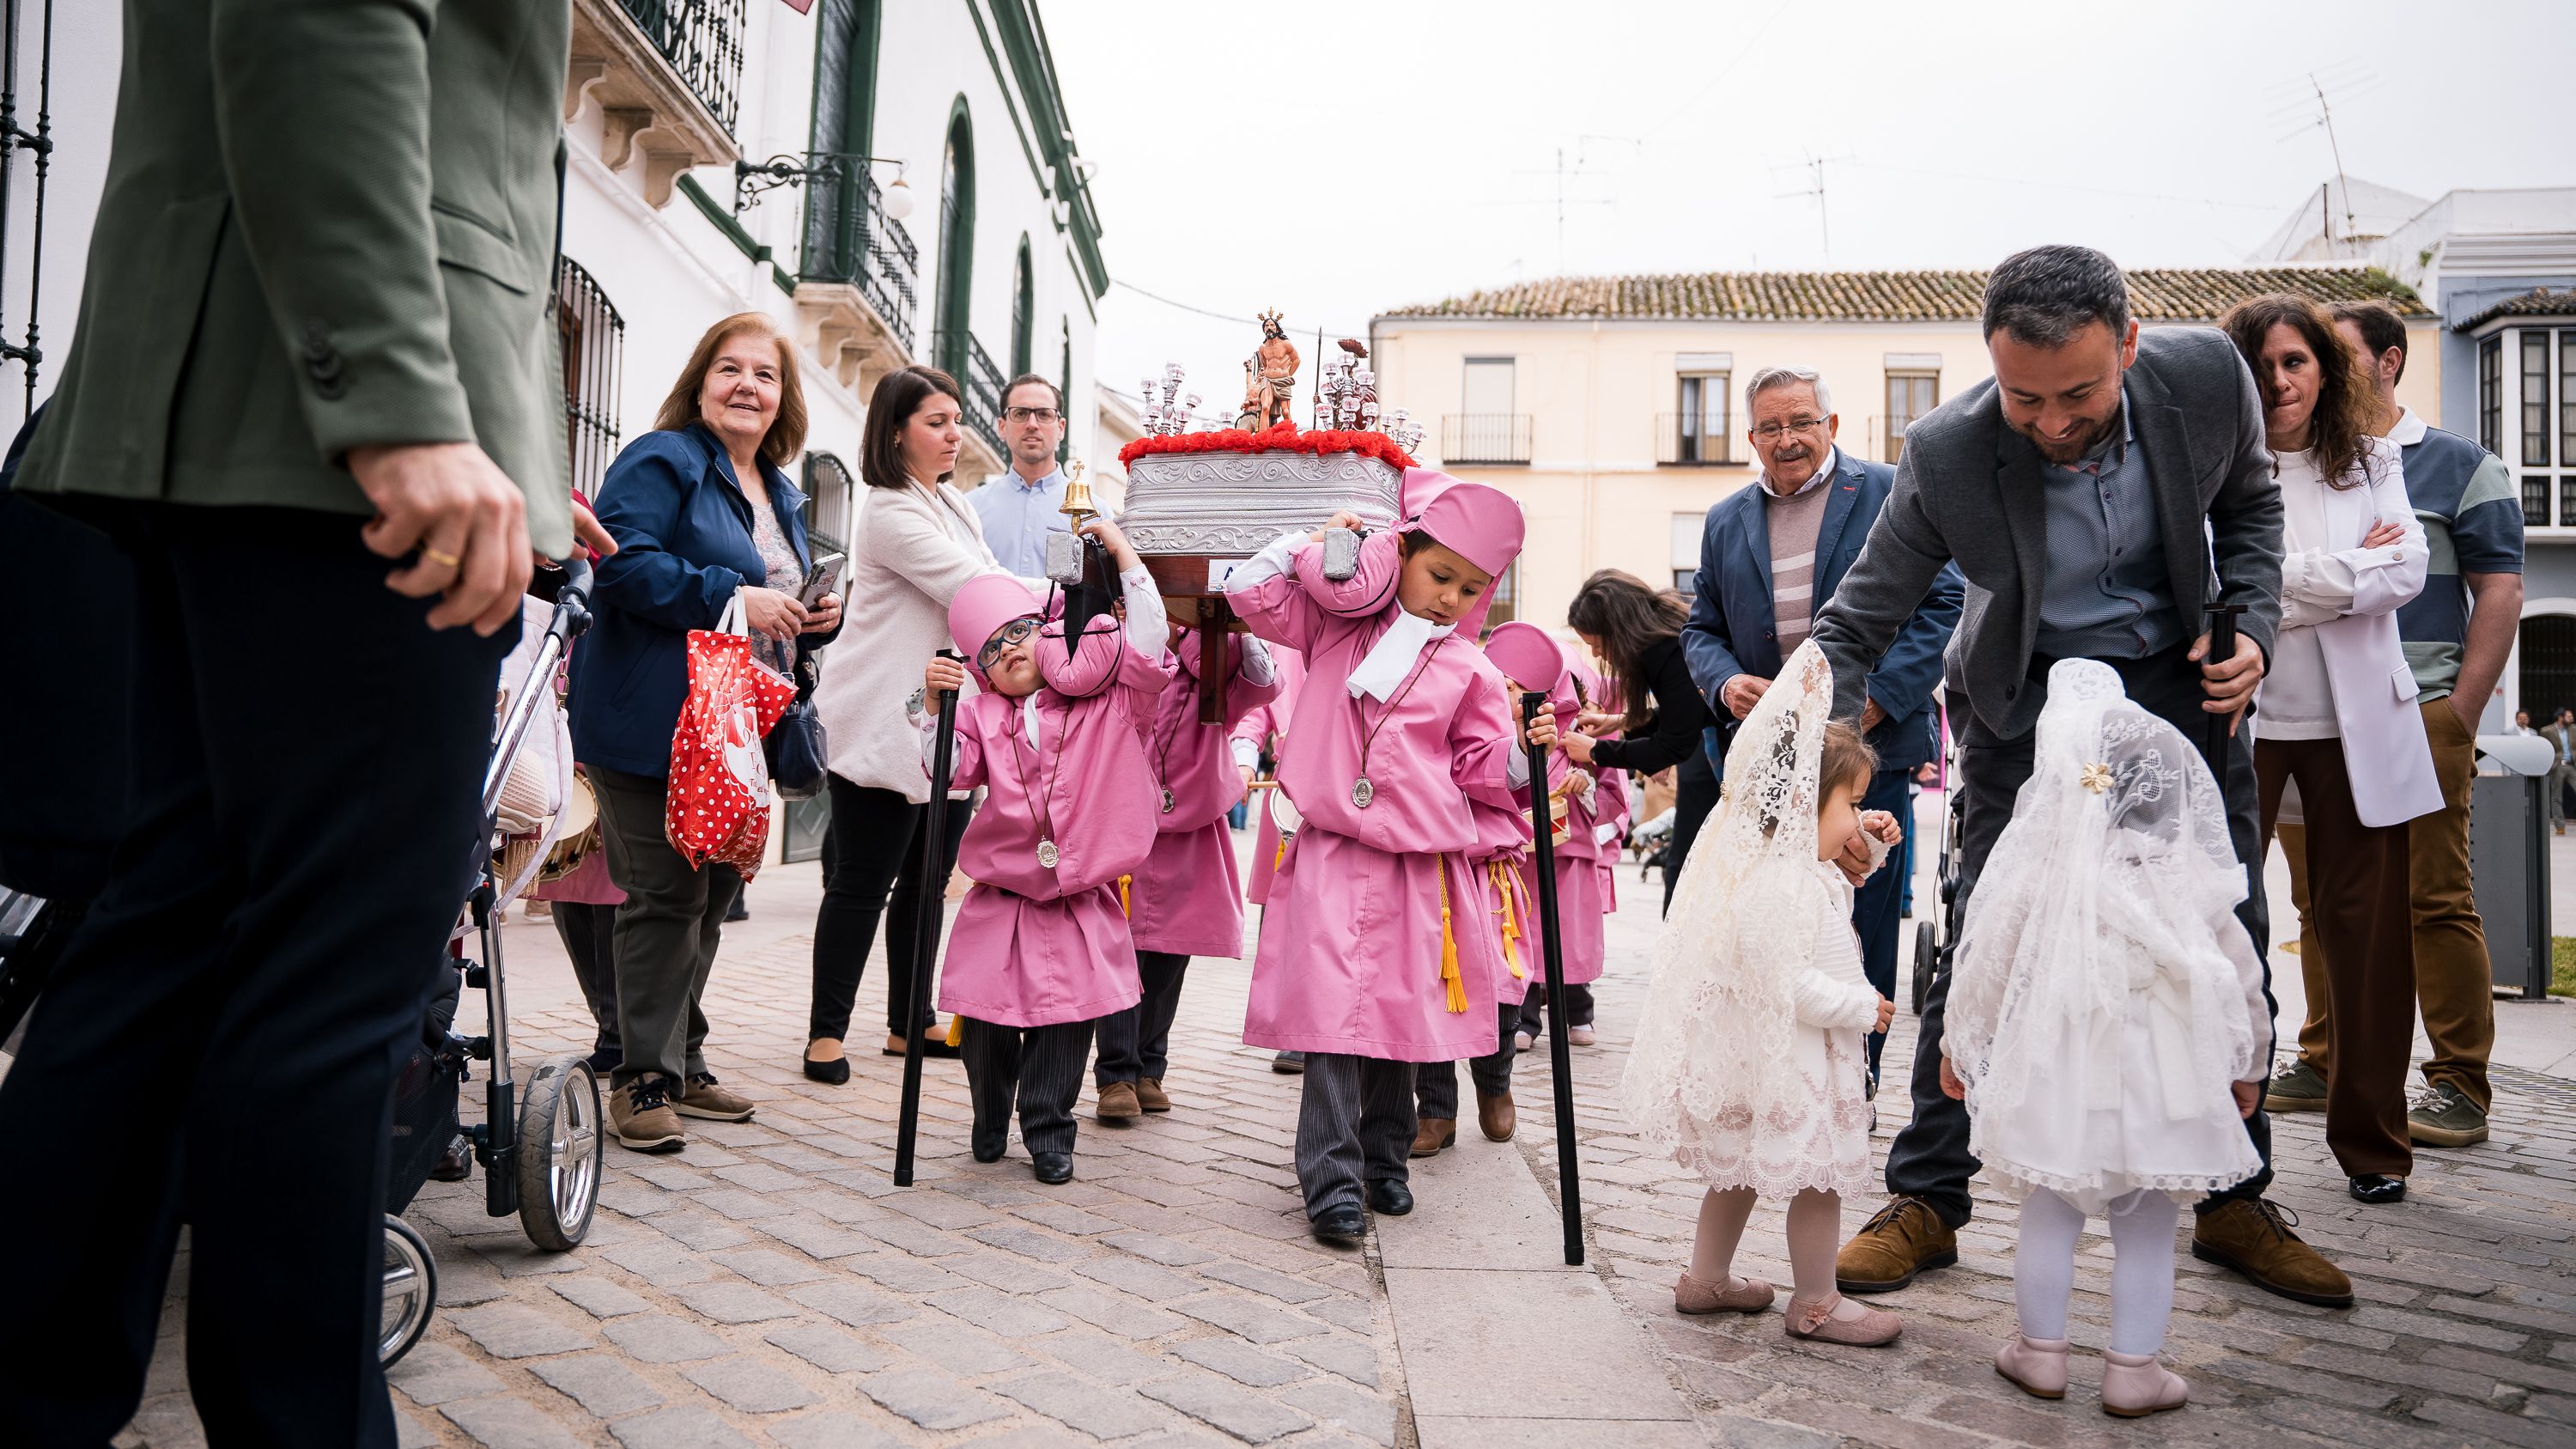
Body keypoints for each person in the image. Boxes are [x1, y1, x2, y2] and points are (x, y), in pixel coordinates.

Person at [0, 3, 591, 1442]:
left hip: (234, 403)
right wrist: (400, 403)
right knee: (331, 982)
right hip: (332, 424)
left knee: (163, 953)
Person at [1812, 244, 2351, 1308]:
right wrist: (1810, 766)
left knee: (2216, 929)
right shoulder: (1950, 448)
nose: (2053, 423)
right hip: (2026, 706)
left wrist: (2250, 627)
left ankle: (2235, 1196)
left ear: (2132, 348)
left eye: (2080, 395)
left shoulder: (2207, 379)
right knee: (1983, 938)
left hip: (2180, 690)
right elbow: (1859, 620)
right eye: (2025, 398)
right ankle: (1928, 1196)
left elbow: (2249, 508)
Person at [1224, 473, 1552, 1244]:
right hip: (1333, 854)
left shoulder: (1468, 667)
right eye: (1439, 576)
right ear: (1399, 552)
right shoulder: (1336, 626)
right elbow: (1247, 592)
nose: (1449, 599)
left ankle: (1385, 1163)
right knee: (1332, 1022)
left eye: (1469, 589)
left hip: (1418, 868)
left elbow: (1478, 766)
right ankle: (1330, 1181)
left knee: (1399, 1020)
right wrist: (1319, 540)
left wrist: (1524, 755)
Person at [1945, 661, 2273, 1419]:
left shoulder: (2042, 873)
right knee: (2149, 1223)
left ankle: (2041, 1352)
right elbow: (2241, 974)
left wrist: (1960, 1045)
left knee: (2050, 1210)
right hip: (2164, 1079)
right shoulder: (2189, 877)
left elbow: (1986, 955)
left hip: (2060, 1066)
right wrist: (2248, 1063)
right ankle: (2134, 1368)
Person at [572, 314, 843, 1152]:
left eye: (765, 375)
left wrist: (812, 619)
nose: (747, 386)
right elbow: (616, 561)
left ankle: (683, 1061)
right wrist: (734, 594)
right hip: (653, 714)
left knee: (717, 894)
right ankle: (641, 1079)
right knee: (665, 893)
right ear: (700, 381)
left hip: (737, 724)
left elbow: (774, 605)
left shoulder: (784, 491)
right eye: (730, 369)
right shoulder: (665, 459)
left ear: (783, 399)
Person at [2268, 301, 2523, 1151]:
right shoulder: (2276, 463)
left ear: (2389, 362)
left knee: (2431, 898)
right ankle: (2322, 1053)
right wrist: (2353, 572)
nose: (2311, 378)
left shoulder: (2456, 464)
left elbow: (2498, 589)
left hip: (2419, 707)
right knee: (2318, 900)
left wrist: (2463, 708)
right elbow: (2246, 581)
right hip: (2310, 715)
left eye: (2331, 359)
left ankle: (2457, 1080)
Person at [1681, 365, 1964, 1086]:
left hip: (1869, 749)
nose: (1788, 439)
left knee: (1861, 907)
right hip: (1768, 761)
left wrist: (1879, 698)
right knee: (1771, 915)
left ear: (1831, 426)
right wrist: (1724, 680)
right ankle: (1775, 1069)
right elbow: (1701, 628)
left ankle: (1853, 1079)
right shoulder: (1723, 520)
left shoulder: (1888, 490)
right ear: (1751, 437)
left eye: (1801, 421)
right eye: (1771, 427)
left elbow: (1944, 603)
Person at [2221, 294, 2439, 1203]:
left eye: (2296, 361)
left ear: (2325, 369)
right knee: (2224, 928)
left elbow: (2409, 570)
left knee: (2369, 943)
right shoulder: (2216, 470)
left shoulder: (2374, 461)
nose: (2280, 380)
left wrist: (2275, 584)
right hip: (2244, 723)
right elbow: (2210, 586)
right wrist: (2346, 575)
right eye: (2263, 365)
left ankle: (2375, 1148)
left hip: (2361, 731)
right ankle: (2219, 1144)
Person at [1622, 646, 1902, 1348]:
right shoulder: (1780, 886)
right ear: (1805, 800)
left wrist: (1870, 842)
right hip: (1795, 1066)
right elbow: (1790, 984)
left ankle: (1706, 1277)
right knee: (1817, 1180)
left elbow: (1842, 880)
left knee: (1736, 1168)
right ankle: (1817, 1301)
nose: (1858, 819)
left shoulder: (1780, 868)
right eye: (1853, 804)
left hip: (1762, 1065)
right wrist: (1862, 1007)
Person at [919, 539, 1167, 1184]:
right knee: (985, 1021)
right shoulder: (975, 713)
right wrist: (932, 710)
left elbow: (1146, 641)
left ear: (1047, 627)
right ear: (979, 671)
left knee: (1066, 1024)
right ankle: (990, 1110)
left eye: (1019, 632)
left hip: (1078, 899)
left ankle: (1050, 1129)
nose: (1010, 651)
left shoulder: (1108, 697)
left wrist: (1123, 555)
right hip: (1001, 899)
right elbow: (948, 770)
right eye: (992, 650)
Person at [807, 367, 1007, 1080]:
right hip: (879, 720)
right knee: (862, 882)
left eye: (956, 419)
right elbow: (973, 588)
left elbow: (986, 580)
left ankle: (908, 1022)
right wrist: (1072, 594)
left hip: (941, 720)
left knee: (927, 884)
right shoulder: (890, 510)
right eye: (936, 421)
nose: (956, 433)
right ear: (896, 433)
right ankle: (825, 1034)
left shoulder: (953, 502)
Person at [1095, 617, 1283, 1121]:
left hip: (1191, 832)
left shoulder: (1213, 672)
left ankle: (1149, 1067)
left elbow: (1265, 684)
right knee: (1119, 951)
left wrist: (1219, 629)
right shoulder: (1123, 657)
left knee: (1169, 955)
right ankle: (1115, 1074)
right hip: (1125, 825)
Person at [1561, 570, 1715, 918]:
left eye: (1598, 642)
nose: (1599, 653)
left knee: (1686, 864)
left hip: (1727, 752)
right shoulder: (1669, 638)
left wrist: (1595, 751)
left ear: (1620, 626)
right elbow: (1689, 711)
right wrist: (1620, 722)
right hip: (1718, 744)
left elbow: (1674, 744)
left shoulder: (1669, 652)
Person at [1231, 651, 1311, 1074]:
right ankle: (1292, 1029)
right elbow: (1256, 712)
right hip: (1289, 797)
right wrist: (1243, 760)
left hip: (1352, 792)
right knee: (1282, 920)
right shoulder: (1285, 646)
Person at [969, 374, 1075, 577]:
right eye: (1020, 413)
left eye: (1044, 414)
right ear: (1002, 427)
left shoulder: (1094, 513)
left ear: (1061, 428)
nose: (1032, 424)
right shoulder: (970, 509)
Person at [2546, 709, 2576, 835]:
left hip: (2571, 766)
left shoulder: (2573, 729)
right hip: (2557, 766)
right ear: (2561, 717)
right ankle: (2560, 826)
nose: (2572, 717)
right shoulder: (2547, 731)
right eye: (2569, 716)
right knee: (2557, 797)